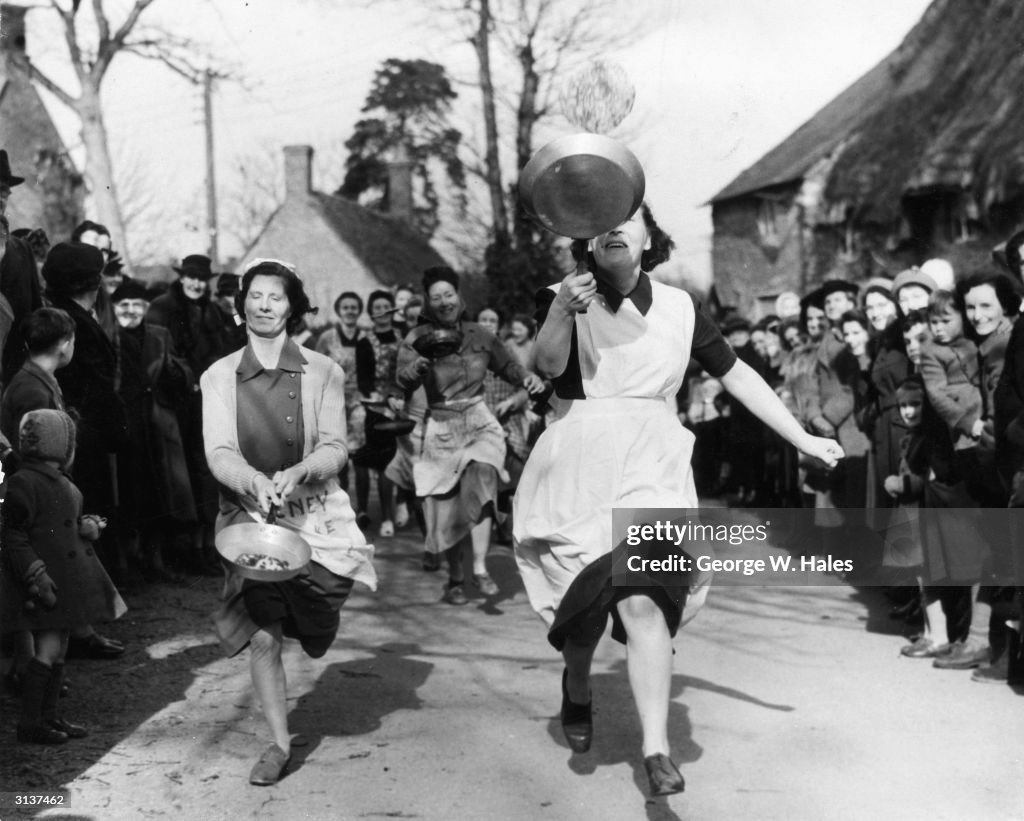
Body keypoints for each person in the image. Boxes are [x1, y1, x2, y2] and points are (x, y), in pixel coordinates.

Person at [512, 204, 841, 797]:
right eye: (601, 219)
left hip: (654, 467)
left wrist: (802, 436)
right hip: (579, 467)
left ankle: (656, 749)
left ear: (649, 238)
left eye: (628, 218)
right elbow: (548, 365)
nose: (613, 227)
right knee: (581, 618)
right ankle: (578, 685)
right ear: (585, 241)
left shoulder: (681, 307)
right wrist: (563, 306)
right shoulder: (559, 296)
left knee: (644, 603)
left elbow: (737, 375)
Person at [202, 259, 376, 786]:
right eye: (254, 295)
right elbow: (219, 451)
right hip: (247, 512)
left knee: (318, 618)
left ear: (293, 306)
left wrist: (300, 471)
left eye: (275, 297)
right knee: (262, 634)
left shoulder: (325, 371)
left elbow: (336, 447)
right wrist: (254, 481)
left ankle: (316, 614)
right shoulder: (218, 376)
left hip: (313, 508)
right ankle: (278, 743)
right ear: (241, 303)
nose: (263, 305)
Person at [396, 266, 543, 605]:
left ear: (459, 297)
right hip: (442, 422)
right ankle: (456, 578)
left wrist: (526, 379)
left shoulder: (480, 334)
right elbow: (402, 380)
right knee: (446, 503)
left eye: (449, 294)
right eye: (437, 297)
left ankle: (479, 567)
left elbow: (508, 366)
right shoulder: (415, 338)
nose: (444, 302)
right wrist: (417, 367)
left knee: (483, 474)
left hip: (478, 419)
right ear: (428, 303)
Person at [0, 409, 126, 743]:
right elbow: (14, 536)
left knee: (58, 650)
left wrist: (85, 528)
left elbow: (63, 525)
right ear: (60, 446)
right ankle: (31, 723)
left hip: (64, 584)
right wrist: (35, 573)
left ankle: (50, 716)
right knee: (49, 650)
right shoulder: (26, 483)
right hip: (44, 587)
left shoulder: (58, 481)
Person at [147, 254, 235, 575]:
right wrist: (187, 380)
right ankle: (177, 550)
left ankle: (204, 547)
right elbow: (157, 356)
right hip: (171, 402)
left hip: (205, 401)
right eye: (191, 277)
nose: (197, 283)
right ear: (182, 277)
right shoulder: (163, 307)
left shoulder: (212, 311)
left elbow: (222, 350)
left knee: (204, 470)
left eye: (202, 278)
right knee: (175, 473)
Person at [112, 279, 197, 581]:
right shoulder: (109, 336)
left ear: (147, 308)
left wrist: (176, 373)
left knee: (159, 491)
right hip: (123, 422)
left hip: (156, 422)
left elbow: (183, 372)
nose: (131, 311)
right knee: (124, 491)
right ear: (113, 307)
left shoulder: (159, 336)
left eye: (137, 305)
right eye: (124, 305)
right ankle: (125, 561)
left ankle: (155, 559)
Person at [315, 291, 367, 494]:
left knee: (360, 456)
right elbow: (316, 370)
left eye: (354, 307)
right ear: (339, 311)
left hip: (359, 401)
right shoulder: (327, 338)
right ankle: (342, 502)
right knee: (338, 456)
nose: (350, 312)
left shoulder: (366, 337)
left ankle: (362, 509)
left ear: (359, 311)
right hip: (333, 401)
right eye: (346, 307)